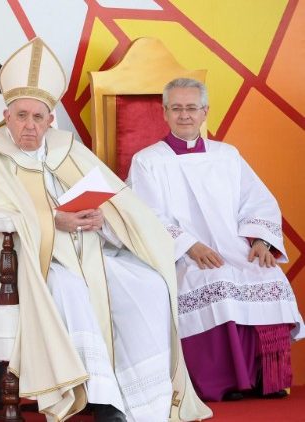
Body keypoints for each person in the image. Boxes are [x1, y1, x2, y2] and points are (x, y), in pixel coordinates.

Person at [0, 38, 211, 421]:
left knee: (147, 283)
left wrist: (102, 219)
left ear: (51, 119)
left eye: (38, 117)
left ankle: (147, 404)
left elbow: (115, 198)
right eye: (21, 115)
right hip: (33, 260)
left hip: (87, 248)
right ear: (6, 115)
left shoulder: (65, 147)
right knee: (71, 287)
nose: (30, 125)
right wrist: (52, 221)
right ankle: (102, 401)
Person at [127, 77, 304, 402]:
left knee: (268, 276)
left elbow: (257, 201)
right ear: (164, 112)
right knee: (217, 281)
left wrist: (260, 241)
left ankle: (266, 379)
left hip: (234, 248)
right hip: (182, 256)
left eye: (191, 108)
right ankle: (226, 382)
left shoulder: (227, 155)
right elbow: (146, 216)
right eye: (176, 108)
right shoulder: (148, 161)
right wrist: (189, 246)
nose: (184, 115)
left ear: (205, 111)